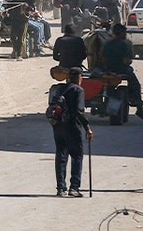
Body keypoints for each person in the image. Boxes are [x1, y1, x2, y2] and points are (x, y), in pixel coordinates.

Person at [52, 67, 93, 197]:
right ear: (79, 77)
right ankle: (74, 188)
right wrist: (87, 128)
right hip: (72, 127)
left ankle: (60, 188)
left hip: (58, 126)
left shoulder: (60, 89)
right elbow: (79, 112)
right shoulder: (78, 90)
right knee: (76, 156)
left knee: (61, 156)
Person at [102, 24, 143, 120]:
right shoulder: (125, 44)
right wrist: (128, 62)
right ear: (121, 33)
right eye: (124, 32)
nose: (125, 34)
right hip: (121, 69)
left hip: (108, 70)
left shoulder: (107, 43)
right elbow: (126, 61)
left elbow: (103, 59)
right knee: (135, 84)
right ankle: (138, 107)